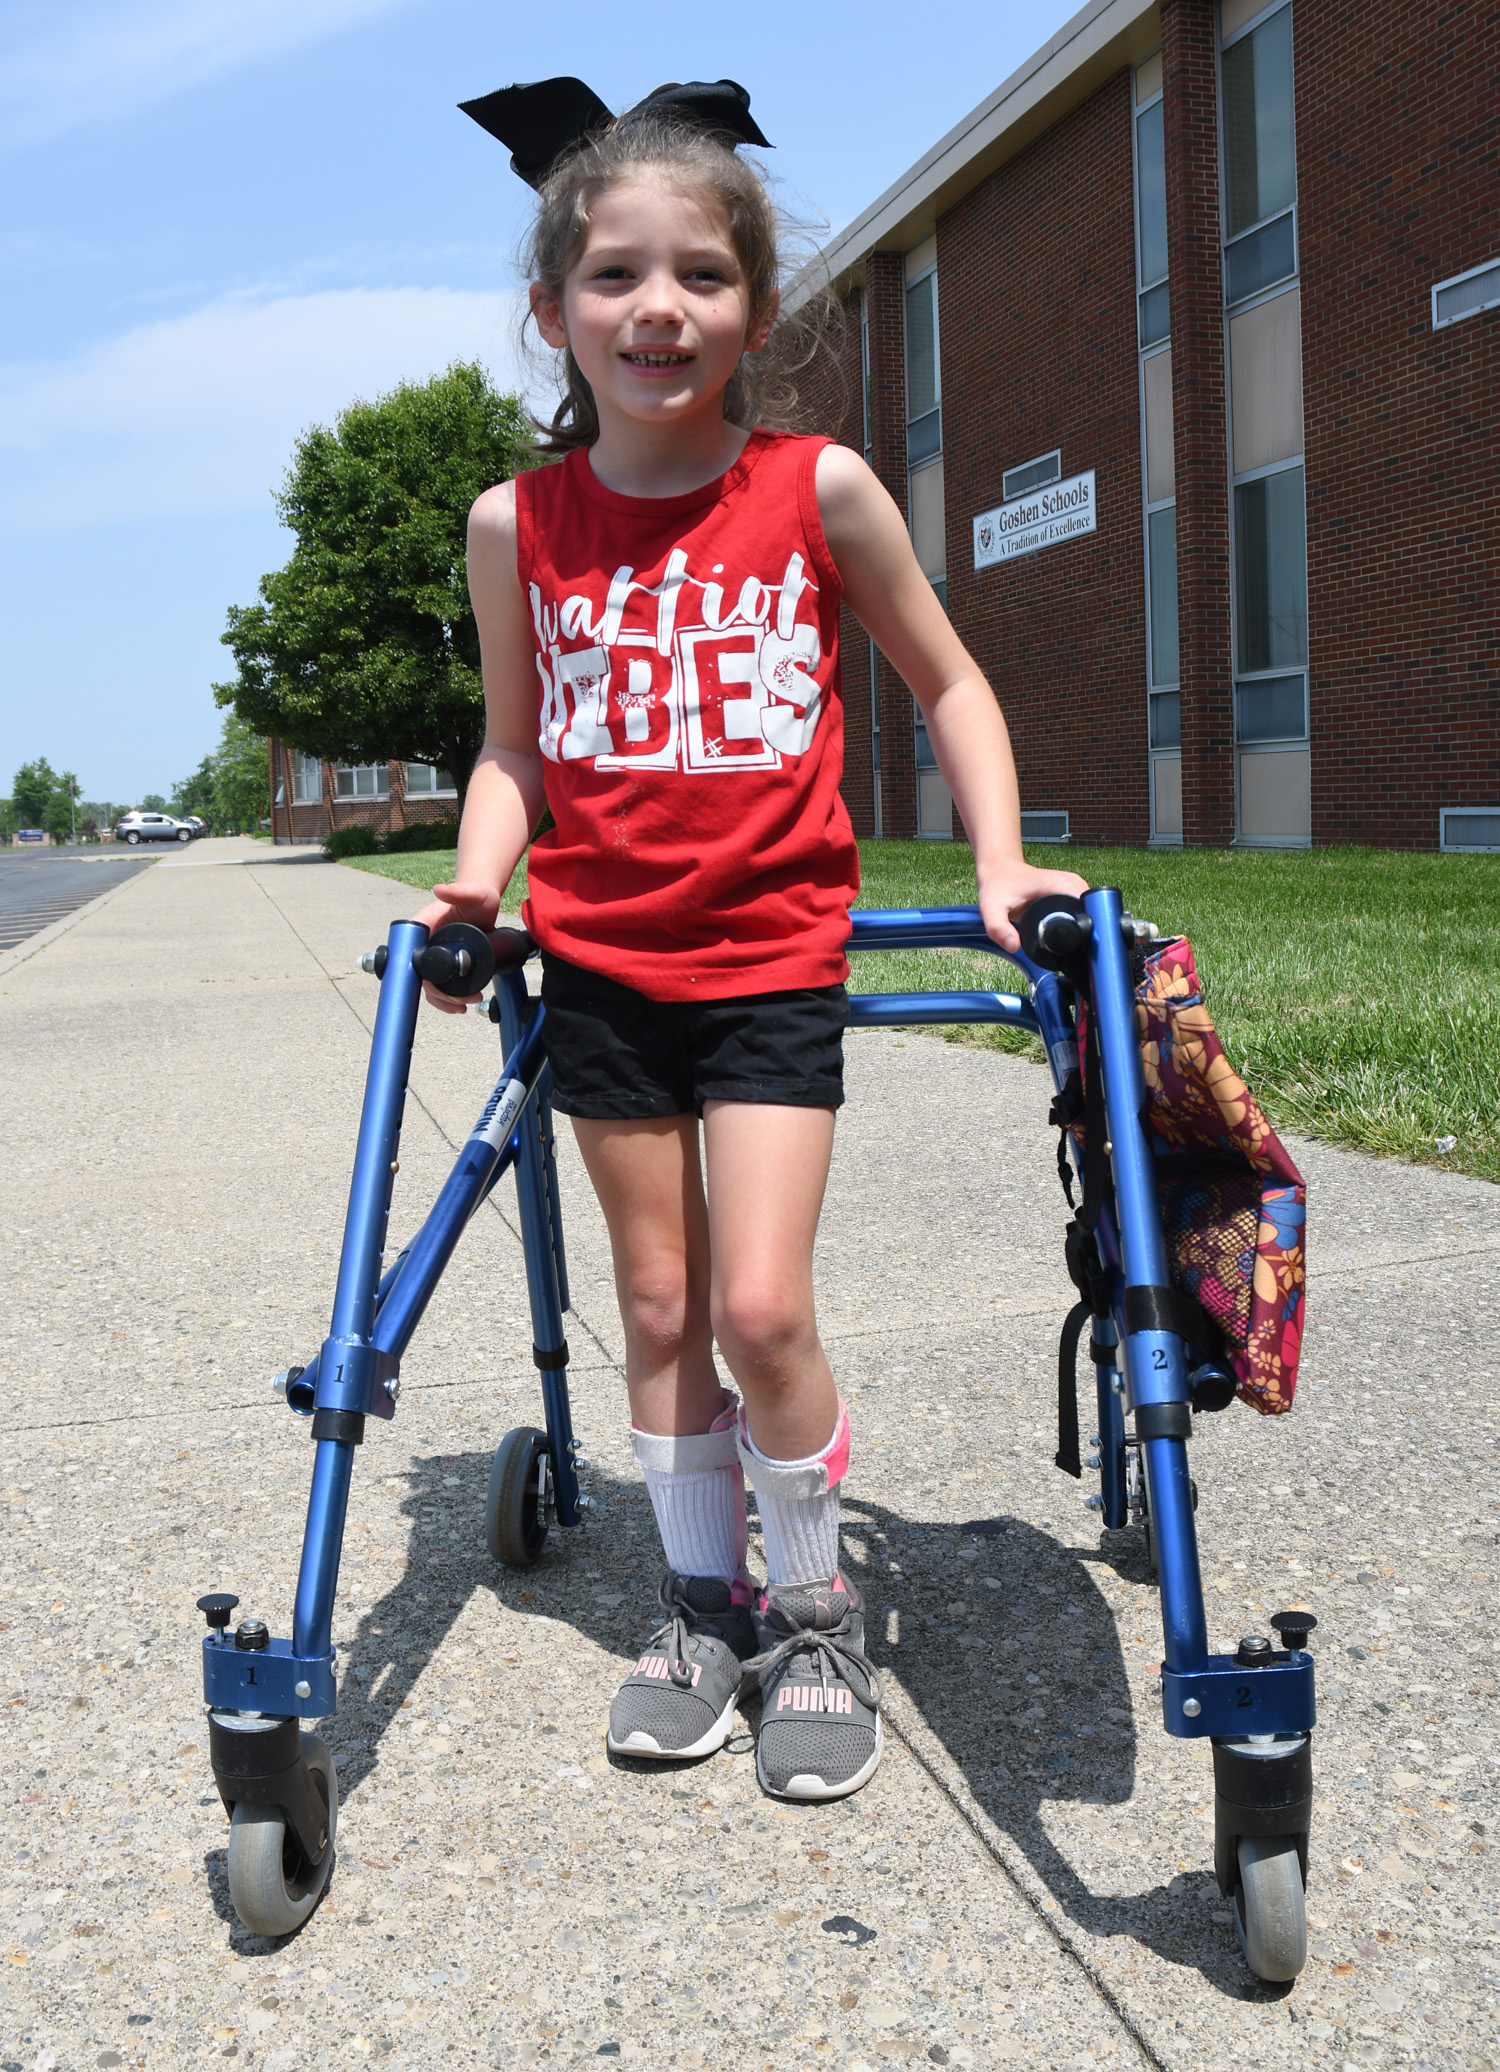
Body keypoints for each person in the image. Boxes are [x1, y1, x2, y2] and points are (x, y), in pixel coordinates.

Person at [416, 77, 1087, 1802]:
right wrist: (478, 890)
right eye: (618, 278)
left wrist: (1003, 862)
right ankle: (700, 1607)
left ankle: (814, 1608)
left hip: (775, 954)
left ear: (758, 307)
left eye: (702, 277)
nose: (660, 309)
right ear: (556, 310)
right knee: (655, 1305)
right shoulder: (518, 525)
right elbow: (513, 748)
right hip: (609, 967)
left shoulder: (820, 487)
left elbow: (948, 679)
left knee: (760, 1307)